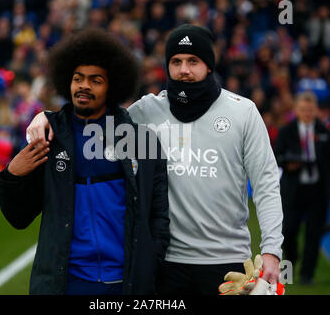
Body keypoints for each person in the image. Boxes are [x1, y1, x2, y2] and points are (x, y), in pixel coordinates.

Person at [26, 24, 284, 295]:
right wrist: (49, 116)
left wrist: (271, 252)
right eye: (176, 61)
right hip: (165, 265)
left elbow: (266, 185)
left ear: (209, 66)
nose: (184, 69)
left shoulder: (243, 113)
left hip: (227, 262)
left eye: (193, 61)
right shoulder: (146, 112)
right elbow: (93, 120)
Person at [0, 28, 170, 295]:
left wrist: (149, 262)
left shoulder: (141, 141)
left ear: (111, 86)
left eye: (95, 80)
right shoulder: (48, 137)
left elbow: (158, 215)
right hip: (67, 283)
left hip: (124, 284)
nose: (84, 86)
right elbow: (18, 217)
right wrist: (12, 176)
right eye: (78, 79)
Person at [274, 91, 330, 285]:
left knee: (313, 235)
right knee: (288, 232)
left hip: (317, 192)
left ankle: (307, 276)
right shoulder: (286, 131)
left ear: (316, 110)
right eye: (303, 109)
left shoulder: (323, 131)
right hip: (293, 191)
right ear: (296, 110)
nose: (307, 113)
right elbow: (276, 157)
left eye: (310, 109)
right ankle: (287, 274)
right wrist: (289, 163)